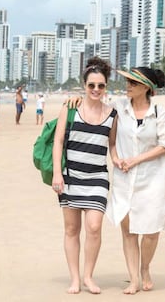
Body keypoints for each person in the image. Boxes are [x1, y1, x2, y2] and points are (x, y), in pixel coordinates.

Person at [66, 66, 165, 294]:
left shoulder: (159, 112)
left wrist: (135, 160)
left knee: (152, 230)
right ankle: (134, 279)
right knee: (129, 231)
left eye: (133, 83)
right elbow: (96, 106)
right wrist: (77, 97)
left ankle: (145, 268)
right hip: (125, 178)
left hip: (153, 177)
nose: (128, 86)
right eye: (127, 82)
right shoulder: (119, 108)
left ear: (146, 87)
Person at [52, 56, 117, 294]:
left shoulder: (113, 114)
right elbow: (58, 142)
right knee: (71, 229)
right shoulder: (70, 109)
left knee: (94, 227)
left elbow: (112, 145)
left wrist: (118, 159)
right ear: (84, 86)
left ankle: (88, 275)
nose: (96, 90)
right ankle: (74, 279)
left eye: (100, 86)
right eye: (91, 85)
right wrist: (57, 174)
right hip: (70, 177)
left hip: (98, 178)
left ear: (106, 86)